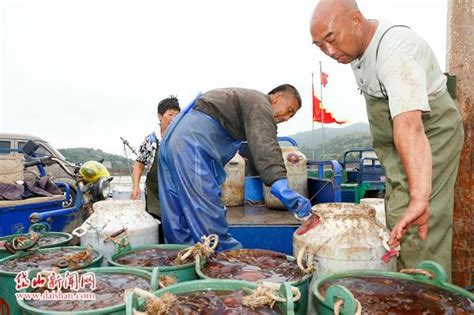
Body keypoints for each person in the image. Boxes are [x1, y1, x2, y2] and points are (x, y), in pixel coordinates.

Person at [310, 0, 464, 276]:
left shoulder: (394, 51)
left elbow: (409, 125)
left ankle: (425, 295)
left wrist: (419, 197)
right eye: (321, 46)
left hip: (429, 133)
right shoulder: (357, 53)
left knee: (419, 221)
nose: (330, 52)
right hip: (400, 140)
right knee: (397, 208)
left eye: (332, 39)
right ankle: (402, 278)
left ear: (356, 19)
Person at [158, 85, 312, 251]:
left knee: (176, 221)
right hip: (191, 143)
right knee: (208, 219)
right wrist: (280, 185)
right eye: (289, 110)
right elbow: (265, 145)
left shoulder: (243, 100)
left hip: (171, 140)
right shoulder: (260, 102)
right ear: (277, 97)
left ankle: (181, 265)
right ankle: (229, 265)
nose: (287, 117)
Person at [131, 96, 181, 243]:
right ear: (160, 116)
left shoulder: (181, 138)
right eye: (170, 114)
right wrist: (135, 187)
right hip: (154, 192)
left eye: (177, 115)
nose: (173, 118)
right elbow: (139, 165)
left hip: (174, 191)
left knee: (175, 226)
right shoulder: (151, 141)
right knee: (155, 227)